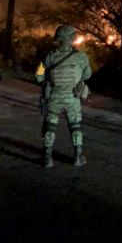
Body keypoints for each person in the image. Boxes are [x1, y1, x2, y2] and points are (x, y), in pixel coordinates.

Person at [35, 25, 92, 168]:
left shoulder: (50, 56)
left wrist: (44, 84)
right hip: (73, 98)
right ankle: (78, 157)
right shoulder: (81, 57)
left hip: (54, 97)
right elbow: (87, 74)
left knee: (50, 126)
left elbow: (38, 74)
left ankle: (47, 159)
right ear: (71, 39)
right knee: (75, 126)